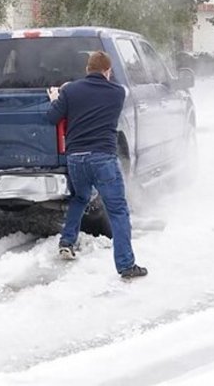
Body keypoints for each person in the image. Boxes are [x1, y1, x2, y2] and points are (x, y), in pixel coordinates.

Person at [46, 51, 148, 279]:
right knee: (118, 211)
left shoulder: (70, 91)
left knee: (80, 198)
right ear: (108, 71)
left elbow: (52, 117)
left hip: (76, 159)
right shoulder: (117, 92)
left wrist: (56, 98)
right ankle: (126, 265)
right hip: (103, 158)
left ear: (86, 69)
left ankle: (67, 242)